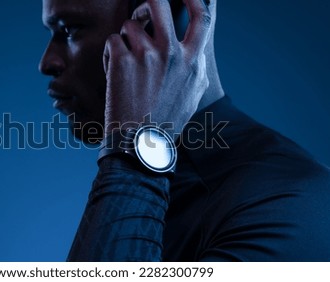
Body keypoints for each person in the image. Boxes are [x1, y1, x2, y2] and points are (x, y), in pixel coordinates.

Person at [39, 0, 330, 261]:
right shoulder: (157, 181)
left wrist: (138, 145)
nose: (46, 63)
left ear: (166, 20)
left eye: (69, 29)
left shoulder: (290, 204)